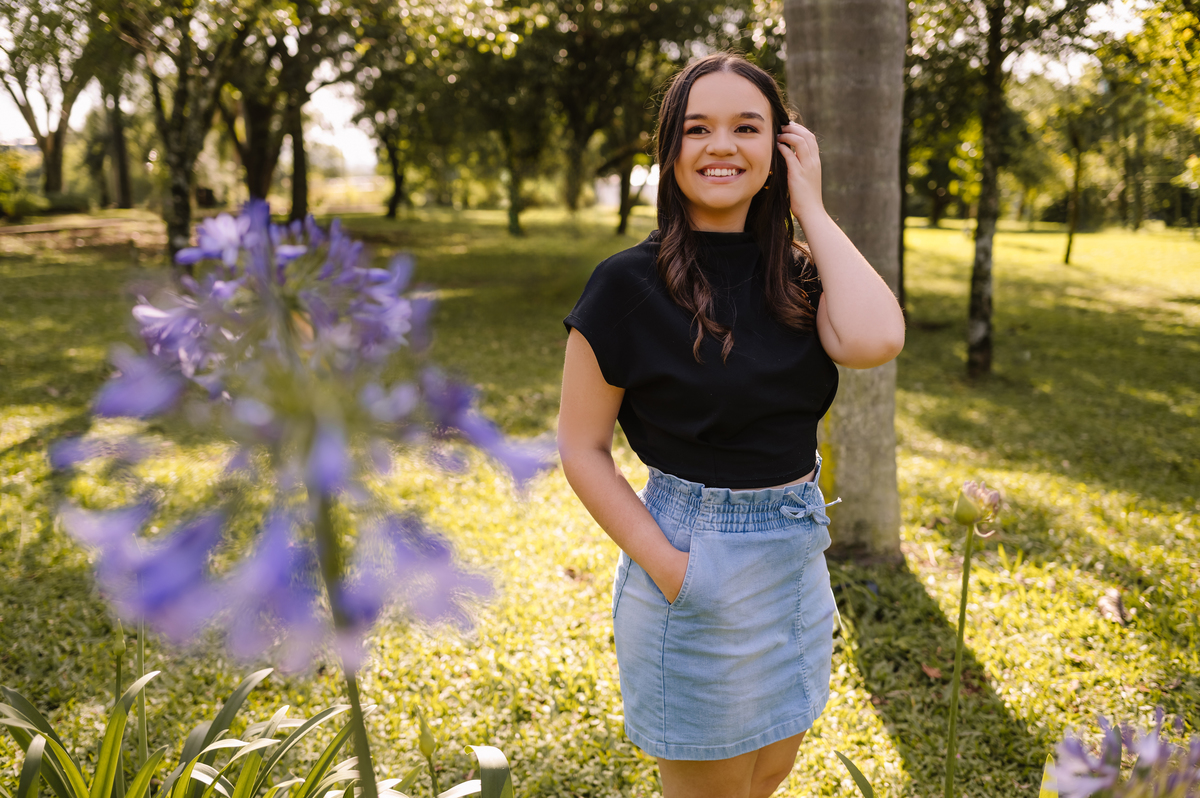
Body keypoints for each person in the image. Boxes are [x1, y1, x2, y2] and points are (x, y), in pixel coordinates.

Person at [557, 52, 905, 798]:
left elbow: (876, 340)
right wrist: (672, 567)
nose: (722, 146)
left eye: (747, 127)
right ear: (671, 150)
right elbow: (580, 447)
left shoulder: (801, 277)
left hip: (798, 558)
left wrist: (808, 200)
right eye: (697, 129)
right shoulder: (626, 285)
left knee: (768, 775)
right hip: (694, 555)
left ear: (778, 146)